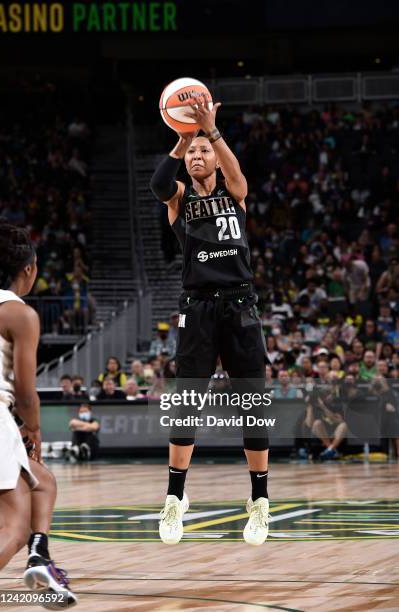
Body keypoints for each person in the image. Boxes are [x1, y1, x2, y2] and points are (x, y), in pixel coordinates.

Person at [150, 95, 269, 546]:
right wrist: (182, 141)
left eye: (204, 151)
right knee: (187, 402)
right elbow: (159, 184)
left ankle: (259, 501)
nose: (198, 156)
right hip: (197, 308)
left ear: (216, 159)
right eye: (193, 152)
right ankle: (175, 499)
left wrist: (212, 131)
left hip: (240, 306)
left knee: (253, 405)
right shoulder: (178, 198)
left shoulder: (233, 191)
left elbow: (237, 173)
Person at [0, 216, 76, 604]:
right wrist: (34, 429)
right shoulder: (18, 313)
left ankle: (40, 559)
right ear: (28, 270)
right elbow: (26, 391)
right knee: (12, 525)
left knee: (42, 482)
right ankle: (32, 548)